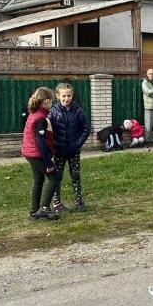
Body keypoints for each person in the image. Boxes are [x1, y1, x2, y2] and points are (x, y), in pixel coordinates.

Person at [48, 83, 91, 214]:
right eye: (64, 96)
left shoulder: (78, 110)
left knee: (76, 176)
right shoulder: (53, 111)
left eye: (69, 95)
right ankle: (56, 203)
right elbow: (49, 131)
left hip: (74, 151)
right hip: (59, 152)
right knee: (57, 177)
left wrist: (78, 144)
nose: (67, 98)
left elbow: (86, 128)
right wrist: (54, 145)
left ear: (72, 95)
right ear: (58, 96)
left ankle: (79, 202)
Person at [21, 87, 61, 221]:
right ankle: (44, 208)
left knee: (39, 180)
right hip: (37, 154)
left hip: (30, 153)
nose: (52, 104)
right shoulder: (41, 118)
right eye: (51, 101)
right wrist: (48, 163)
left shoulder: (33, 113)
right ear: (46, 101)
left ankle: (34, 211)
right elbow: (41, 142)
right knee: (55, 177)